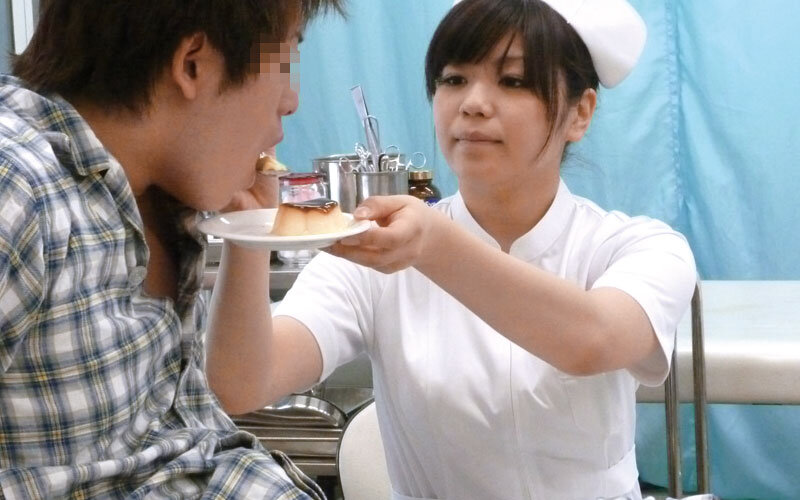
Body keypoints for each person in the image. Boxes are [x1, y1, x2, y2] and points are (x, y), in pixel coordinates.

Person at [206, 0, 696, 498]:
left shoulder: (638, 247)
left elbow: (595, 340)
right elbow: (243, 384)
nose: (473, 104)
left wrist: (433, 246)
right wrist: (249, 231)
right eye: (454, 79)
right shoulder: (378, 257)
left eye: (513, 81)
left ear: (580, 113)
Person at [0, 1, 343, 498]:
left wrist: (249, 227)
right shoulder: (17, 185)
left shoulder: (157, 197)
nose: (291, 101)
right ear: (193, 64)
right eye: (285, 60)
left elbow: (186, 437)